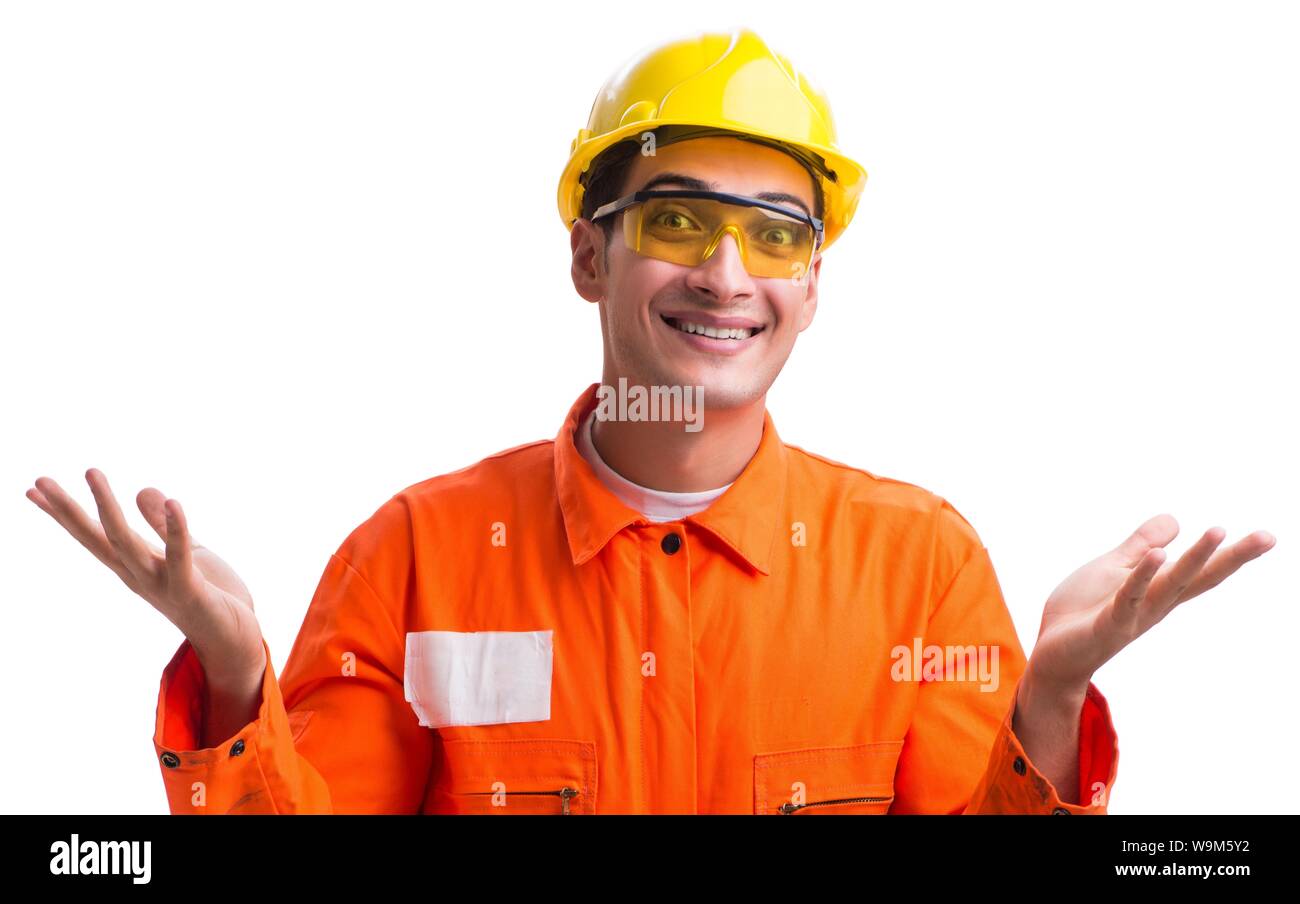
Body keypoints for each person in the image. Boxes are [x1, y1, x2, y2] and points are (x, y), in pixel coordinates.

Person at [27, 28, 1275, 815]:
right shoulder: (415, 559)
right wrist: (240, 683)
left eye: (777, 234)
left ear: (812, 286)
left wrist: (1048, 700)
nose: (727, 274)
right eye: (678, 220)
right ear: (587, 254)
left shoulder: (918, 569)